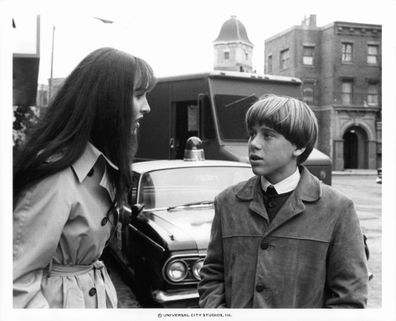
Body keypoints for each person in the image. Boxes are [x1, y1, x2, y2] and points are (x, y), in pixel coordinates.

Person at [13, 47, 156, 308]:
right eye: (138, 95)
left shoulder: (100, 166)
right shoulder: (54, 174)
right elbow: (16, 283)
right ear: (106, 101)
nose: (147, 107)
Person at [198, 94, 368, 308]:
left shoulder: (338, 209)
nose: (254, 144)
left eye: (267, 135)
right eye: (252, 134)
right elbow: (212, 276)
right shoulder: (227, 202)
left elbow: (349, 299)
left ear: (297, 147)